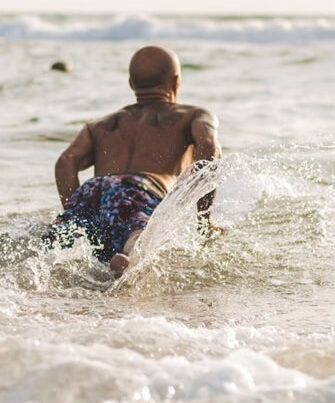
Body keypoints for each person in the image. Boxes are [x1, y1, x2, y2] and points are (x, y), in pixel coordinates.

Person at [47, 45, 221, 276]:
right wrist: (204, 220)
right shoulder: (193, 116)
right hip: (138, 190)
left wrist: (74, 209)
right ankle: (128, 257)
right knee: (138, 234)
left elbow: (65, 162)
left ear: (131, 84)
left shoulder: (101, 124)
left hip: (93, 191)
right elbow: (209, 148)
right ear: (176, 82)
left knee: (61, 239)